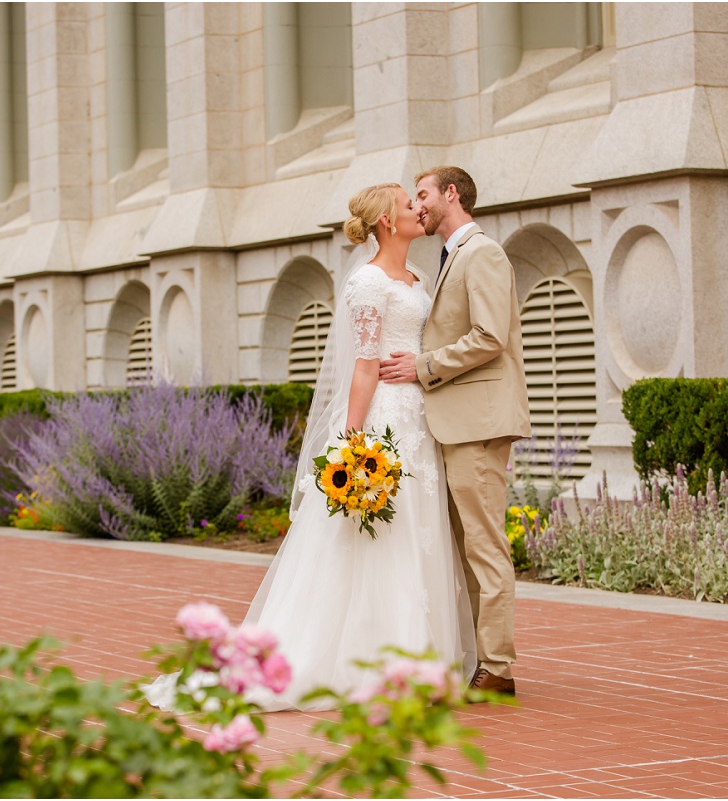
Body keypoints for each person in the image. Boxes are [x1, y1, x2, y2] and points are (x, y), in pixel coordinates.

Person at [144, 183, 476, 712]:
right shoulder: (367, 281)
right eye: (408, 203)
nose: (419, 207)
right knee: (378, 538)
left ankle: (418, 663)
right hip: (384, 421)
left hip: (420, 423)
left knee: (418, 532)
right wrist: (351, 439)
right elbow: (364, 364)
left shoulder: (416, 278)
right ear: (387, 221)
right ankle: (374, 666)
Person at [379, 166, 531, 697]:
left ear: (450, 194)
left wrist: (422, 366)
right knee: (467, 548)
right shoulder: (447, 258)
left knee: (485, 548)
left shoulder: (483, 252)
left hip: (479, 422)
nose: (417, 204)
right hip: (457, 423)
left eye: (422, 194)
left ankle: (497, 669)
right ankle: (481, 659)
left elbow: (489, 336)